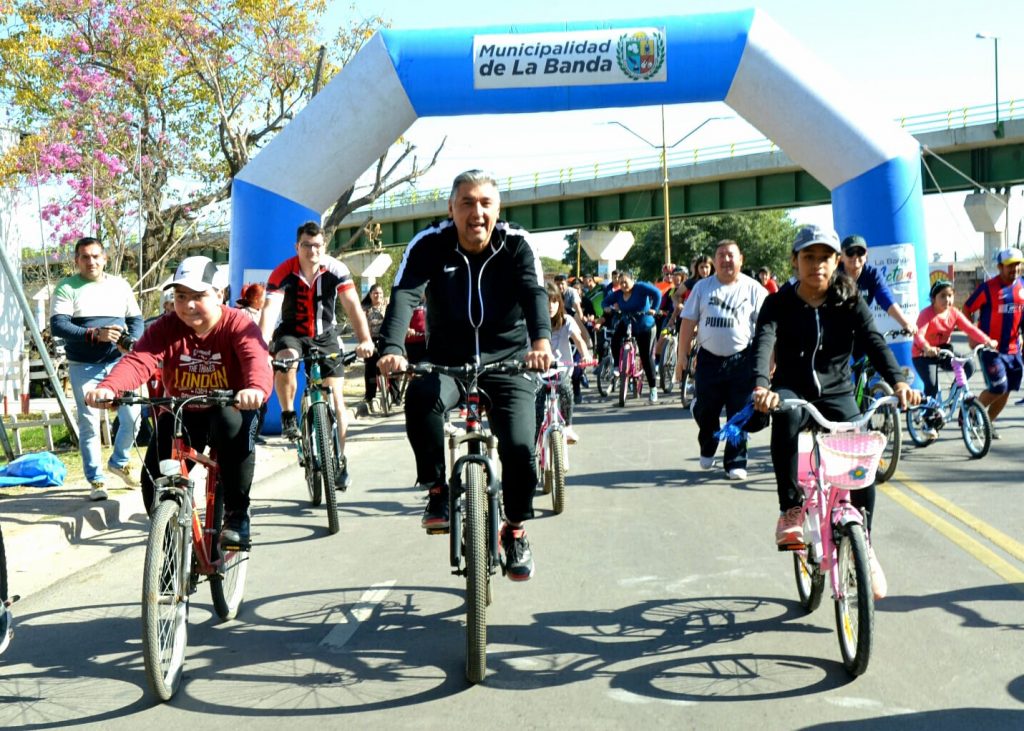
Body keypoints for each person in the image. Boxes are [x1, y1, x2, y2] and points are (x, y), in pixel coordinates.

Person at [376, 170, 552, 582]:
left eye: (486, 203)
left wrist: (541, 344)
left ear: (498, 209)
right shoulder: (429, 244)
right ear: (451, 209)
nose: (477, 212)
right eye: (467, 203)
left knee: (522, 448)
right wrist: (393, 349)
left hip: (508, 362)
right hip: (446, 360)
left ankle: (516, 530)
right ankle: (437, 488)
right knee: (421, 398)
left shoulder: (517, 245)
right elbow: (404, 294)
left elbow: (534, 294)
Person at [750, 225, 921, 600]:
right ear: (794, 261)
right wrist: (762, 386)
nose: (817, 265)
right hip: (793, 388)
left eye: (825, 257)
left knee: (861, 464)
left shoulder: (849, 298)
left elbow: (874, 341)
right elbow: (764, 343)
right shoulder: (777, 303)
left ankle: (866, 545)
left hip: (838, 391)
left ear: (836, 261)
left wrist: (898, 381)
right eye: (808, 257)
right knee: (787, 418)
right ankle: (791, 509)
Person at [86, 256, 272, 547]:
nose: (187, 305)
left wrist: (255, 389)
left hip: (233, 408)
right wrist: (109, 387)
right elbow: (139, 360)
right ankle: (171, 547)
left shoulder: (238, 325)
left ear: (220, 294)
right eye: (181, 296)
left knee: (230, 430)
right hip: (184, 411)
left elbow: (256, 360)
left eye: (199, 296)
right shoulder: (166, 327)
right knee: (154, 481)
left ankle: (237, 515)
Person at [259, 221, 374, 488]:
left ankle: (340, 459)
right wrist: (263, 347)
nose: (313, 251)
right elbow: (269, 311)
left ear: (324, 246)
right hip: (292, 333)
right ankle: (288, 413)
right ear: (297, 246)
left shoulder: (336, 269)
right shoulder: (282, 272)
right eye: (307, 246)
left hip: (326, 336)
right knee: (285, 360)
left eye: (318, 246)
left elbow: (353, 306)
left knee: (336, 399)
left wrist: (365, 339)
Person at [50, 236, 144, 501]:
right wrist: (94, 334)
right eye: (84, 257)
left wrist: (133, 342)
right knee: (90, 423)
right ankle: (96, 480)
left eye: (95, 256)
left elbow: (135, 319)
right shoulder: (67, 286)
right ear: (76, 260)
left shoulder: (120, 285)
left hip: (120, 364)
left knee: (133, 416)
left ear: (104, 258)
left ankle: (119, 461)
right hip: (84, 365)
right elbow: (59, 325)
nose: (91, 261)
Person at [678, 240, 767, 480]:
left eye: (731, 255)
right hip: (708, 360)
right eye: (721, 256)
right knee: (706, 410)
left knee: (740, 412)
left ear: (741, 259)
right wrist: (681, 358)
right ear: (714, 261)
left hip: (742, 360)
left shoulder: (755, 289)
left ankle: (735, 461)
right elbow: (687, 323)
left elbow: (768, 328)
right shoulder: (702, 288)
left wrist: (769, 362)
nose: (726, 260)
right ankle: (709, 442)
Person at [912, 280, 996, 423]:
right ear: (933, 299)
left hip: (944, 352)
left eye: (950, 295)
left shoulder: (954, 313)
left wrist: (987, 340)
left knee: (969, 366)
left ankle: (954, 393)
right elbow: (919, 335)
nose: (947, 300)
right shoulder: (926, 314)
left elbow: (970, 329)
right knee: (931, 385)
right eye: (943, 296)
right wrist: (927, 348)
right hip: (923, 354)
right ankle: (929, 419)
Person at [961, 247, 1024, 438]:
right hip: (990, 348)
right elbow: (966, 308)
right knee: (998, 387)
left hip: (1014, 349)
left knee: (1007, 391)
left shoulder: (1022, 286)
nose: (1014, 269)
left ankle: (987, 423)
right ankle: (971, 412)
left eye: (1017, 265)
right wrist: (972, 335)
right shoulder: (988, 288)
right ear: (999, 267)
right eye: (1009, 266)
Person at [536, 284, 593, 445]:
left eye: (554, 301)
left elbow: (579, 340)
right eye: (546, 302)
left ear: (560, 303)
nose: (550, 306)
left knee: (566, 389)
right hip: (538, 371)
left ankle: (567, 426)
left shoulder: (566, 321)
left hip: (560, 369)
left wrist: (586, 355)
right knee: (537, 403)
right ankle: (534, 439)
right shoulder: (533, 322)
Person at [602, 271, 664, 403]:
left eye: (626, 281)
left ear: (632, 280)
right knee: (615, 339)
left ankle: (653, 389)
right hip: (628, 322)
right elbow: (605, 302)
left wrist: (654, 308)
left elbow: (657, 294)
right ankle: (618, 368)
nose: (623, 285)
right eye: (621, 282)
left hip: (645, 326)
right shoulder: (618, 294)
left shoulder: (640, 287)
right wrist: (607, 307)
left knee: (646, 357)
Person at [838, 235, 918, 335]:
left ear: (866, 255)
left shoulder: (872, 274)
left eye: (860, 252)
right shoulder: (834, 274)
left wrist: (905, 323)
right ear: (841, 256)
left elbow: (885, 298)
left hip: (861, 328)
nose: (855, 256)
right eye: (850, 252)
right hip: (835, 329)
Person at [362, 283, 396, 407]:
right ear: (370, 295)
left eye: (380, 293)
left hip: (386, 340)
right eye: (375, 293)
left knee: (391, 367)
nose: (378, 295)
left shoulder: (388, 306)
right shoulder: (365, 309)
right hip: (370, 341)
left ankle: (395, 395)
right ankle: (370, 396)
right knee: (370, 369)